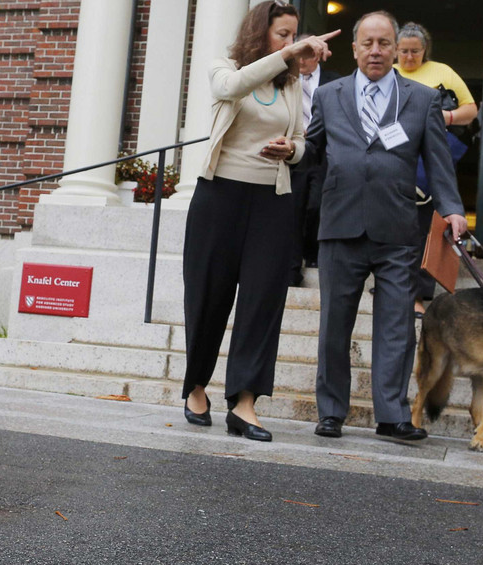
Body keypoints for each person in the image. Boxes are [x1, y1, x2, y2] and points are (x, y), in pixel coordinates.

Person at [302, 11, 467, 442]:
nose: (376, 51)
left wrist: (451, 208)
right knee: (334, 325)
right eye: (367, 43)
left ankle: (392, 416)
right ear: (354, 48)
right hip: (340, 226)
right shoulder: (328, 95)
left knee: (397, 325)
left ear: (397, 49)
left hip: (398, 229)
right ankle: (331, 411)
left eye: (384, 43)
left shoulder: (422, 99)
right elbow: (312, 148)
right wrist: (290, 152)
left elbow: (438, 161)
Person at [181, 1, 336, 442]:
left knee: (263, 301)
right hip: (219, 196)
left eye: (293, 36)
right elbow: (231, 88)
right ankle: (196, 387)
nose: (290, 43)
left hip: (273, 200)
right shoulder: (224, 66)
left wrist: (292, 151)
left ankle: (244, 403)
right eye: (281, 34)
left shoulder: (290, 85)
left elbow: (305, 142)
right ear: (259, 33)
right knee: (208, 295)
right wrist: (289, 56)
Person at [394, 21, 477, 316]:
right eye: (403, 51)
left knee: (427, 227)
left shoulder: (443, 72)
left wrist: (447, 117)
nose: (408, 57)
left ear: (424, 49)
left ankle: (418, 294)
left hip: (429, 161)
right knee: (394, 225)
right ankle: (390, 287)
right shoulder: (388, 72)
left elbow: (471, 110)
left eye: (414, 51)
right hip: (394, 160)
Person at [288, 37, 341, 286]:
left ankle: (312, 253)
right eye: (299, 55)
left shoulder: (335, 81)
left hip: (322, 154)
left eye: (307, 55)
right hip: (294, 153)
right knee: (293, 206)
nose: (301, 61)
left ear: (318, 55)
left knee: (316, 204)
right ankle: (291, 265)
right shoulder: (286, 79)